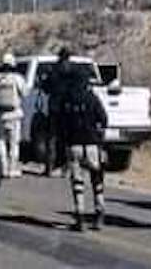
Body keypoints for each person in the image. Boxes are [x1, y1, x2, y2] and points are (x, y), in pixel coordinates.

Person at [57, 74, 109, 231]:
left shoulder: (67, 100)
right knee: (97, 179)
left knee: (77, 181)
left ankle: (79, 215)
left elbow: (61, 123)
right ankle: (99, 212)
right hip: (92, 144)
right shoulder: (92, 98)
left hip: (74, 145)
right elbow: (104, 119)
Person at [41, 46, 80, 177]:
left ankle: (50, 167)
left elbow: (45, 88)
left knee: (51, 138)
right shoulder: (75, 70)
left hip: (55, 108)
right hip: (69, 108)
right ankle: (68, 168)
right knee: (68, 139)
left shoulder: (53, 70)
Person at [0, 52, 27, 178]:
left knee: (1, 142)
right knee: (14, 143)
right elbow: (24, 93)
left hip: (0, 115)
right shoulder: (18, 78)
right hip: (14, 115)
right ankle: (12, 168)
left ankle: (3, 169)